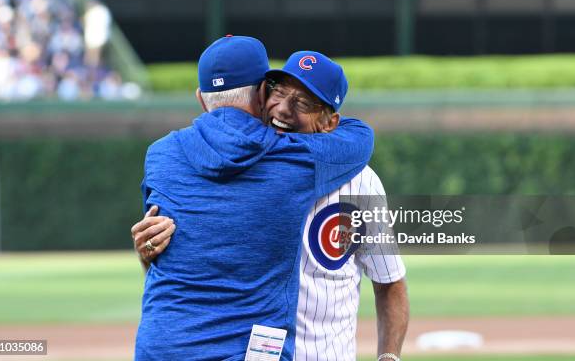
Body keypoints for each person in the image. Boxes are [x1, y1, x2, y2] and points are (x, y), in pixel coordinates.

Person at [133, 51, 409, 361]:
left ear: (330, 122)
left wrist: (389, 357)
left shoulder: (360, 183)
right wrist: (150, 253)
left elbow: (389, 281)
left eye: (303, 102)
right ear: (263, 94)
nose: (283, 108)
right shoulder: (234, 167)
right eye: (278, 90)